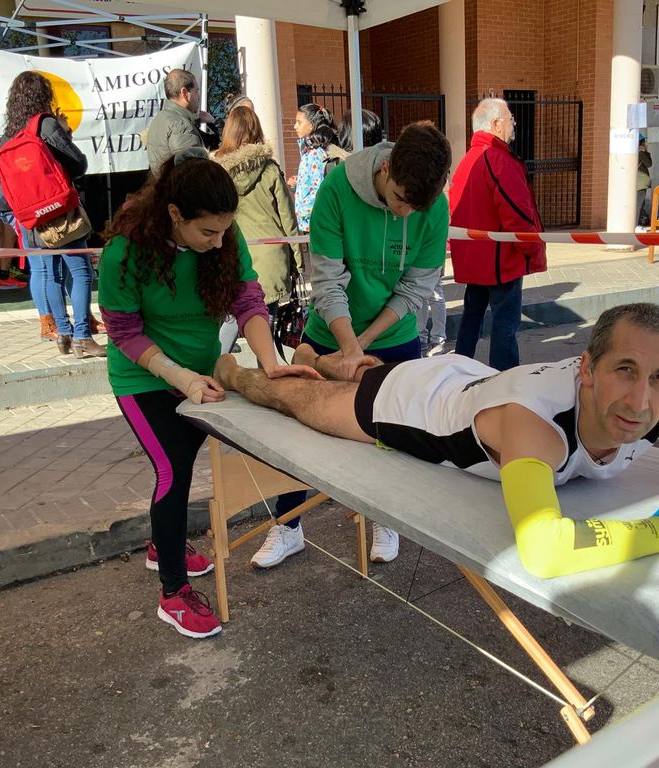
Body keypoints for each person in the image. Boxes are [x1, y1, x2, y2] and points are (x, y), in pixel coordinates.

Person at [213, 302, 659, 579]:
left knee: (355, 369)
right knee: (293, 400)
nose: (640, 400)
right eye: (625, 369)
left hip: (474, 380)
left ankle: (316, 356)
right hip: (412, 406)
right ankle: (236, 371)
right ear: (587, 368)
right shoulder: (534, 426)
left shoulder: (657, 409)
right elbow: (544, 549)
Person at [97, 152, 317, 639]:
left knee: (190, 454)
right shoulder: (125, 252)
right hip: (144, 376)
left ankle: (163, 543)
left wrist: (271, 365)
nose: (219, 241)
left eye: (224, 232)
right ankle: (173, 593)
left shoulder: (222, 234)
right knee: (172, 468)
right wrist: (182, 378)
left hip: (199, 370)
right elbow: (124, 333)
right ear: (174, 214)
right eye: (208, 234)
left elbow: (247, 299)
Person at [248, 121, 452, 570]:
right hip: (327, 331)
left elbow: (416, 287)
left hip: (392, 338)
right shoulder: (337, 190)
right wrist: (343, 348)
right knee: (298, 434)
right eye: (400, 200)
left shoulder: (432, 207)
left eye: (415, 208)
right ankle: (288, 525)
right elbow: (327, 280)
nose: (404, 215)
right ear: (386, 170)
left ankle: (386, 517)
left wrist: (360, 347)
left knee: (389, 438)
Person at [0, 71, 105, 358]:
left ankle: (63, 334)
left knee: (50, 274)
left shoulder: (9, 133)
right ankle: (83, 336)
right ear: (44, 96)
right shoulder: (45, 125)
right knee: (81, 273)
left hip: (29, 218)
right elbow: (78, 163)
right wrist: (63, 133)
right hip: (59, 214)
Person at [450, 98, 545, 371]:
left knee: (472, 318)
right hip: (501, 260)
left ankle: (458, 369)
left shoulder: (468, 160)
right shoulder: (498, 159)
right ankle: (504, 380)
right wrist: (531, 249)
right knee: (505, 323)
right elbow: (518, 213)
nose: (513, 123)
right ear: (495, 124)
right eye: (510, 118)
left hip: (476, 259)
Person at [213, 105, 302, 309]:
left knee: (230, 327)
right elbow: (288, 219)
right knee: (264, 325)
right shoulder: (270, 169)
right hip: (270, 258)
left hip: (232, 256)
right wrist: (298, 262)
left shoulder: (216, 173)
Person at [145, 69, 216, 176]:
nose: (198, 96)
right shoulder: (180, 125)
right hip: (180, 191)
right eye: (196, 91)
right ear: (184, 93)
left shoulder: (161, 118)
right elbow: (194, 176)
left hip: (167, 189)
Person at [290, 103, 338, 233]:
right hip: (311, 221)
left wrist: (307, 213)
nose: (295, 126)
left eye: (299, 122)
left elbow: (319, 188)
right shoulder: (310, 152)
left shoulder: (315, 154)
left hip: (314, 222)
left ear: (311, 125)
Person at [636, 134, 653, 230]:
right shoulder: (641, 152)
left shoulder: (632, 152)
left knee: (637, 204)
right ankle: (635, 225)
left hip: (635, 182)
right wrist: (645, 151)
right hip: (640, 183)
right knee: (638, 205)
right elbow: (649, 163)